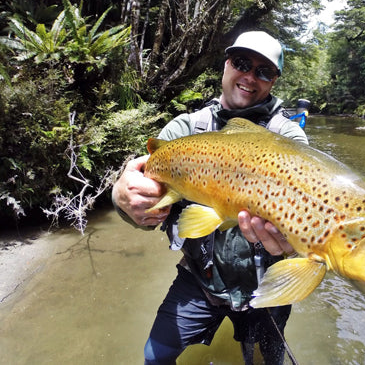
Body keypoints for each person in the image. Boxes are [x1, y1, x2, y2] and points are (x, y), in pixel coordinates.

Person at [112, 31, 308, 365]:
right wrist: (121, 198)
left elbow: (307, 206)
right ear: (226, 65)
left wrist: (297, 243)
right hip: (199, 279)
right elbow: (139, 189)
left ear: (273, 81)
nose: (249, 76)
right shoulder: (185, 130)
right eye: (242, 63)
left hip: (264, 288)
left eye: (263, 71)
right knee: (153, 358)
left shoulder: (288, 138)